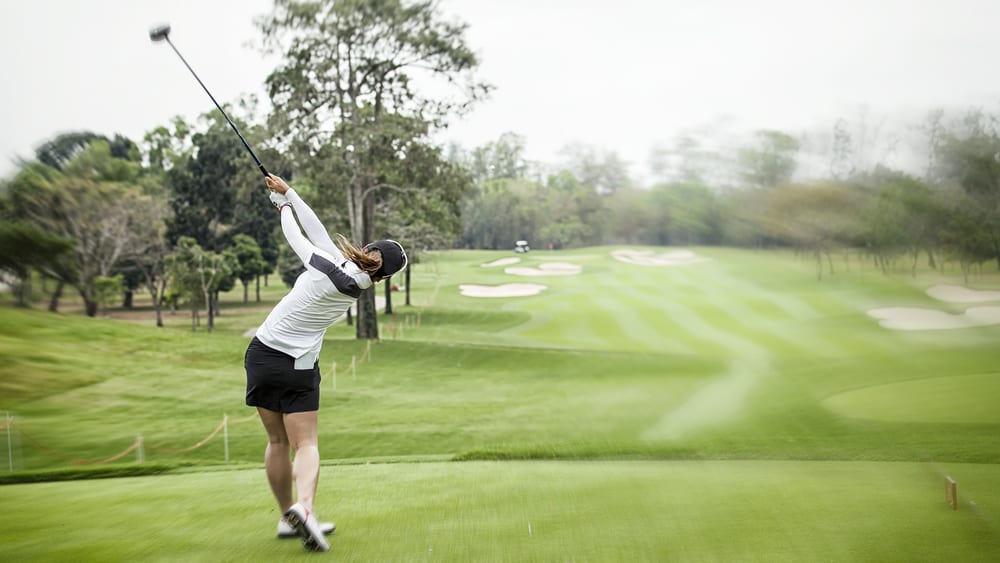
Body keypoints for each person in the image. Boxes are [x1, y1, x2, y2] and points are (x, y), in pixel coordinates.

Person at [244, 174, 407, 552]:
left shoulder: (329, 269)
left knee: (277, 441)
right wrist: (289, 194)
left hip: (262, 354)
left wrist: (282, 207)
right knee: (306, 443)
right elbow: (317, 232)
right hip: (298, 366)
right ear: (383, 277)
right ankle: (306, 509)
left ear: (368, 249)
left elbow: (298, 239)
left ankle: (290, 515)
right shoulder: (352, 280)